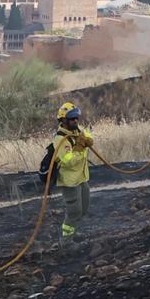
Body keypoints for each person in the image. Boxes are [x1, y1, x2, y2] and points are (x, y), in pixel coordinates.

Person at [49, 103, 94, 246]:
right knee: (74, 212)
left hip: (81, 178)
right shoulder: (60, 139)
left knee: (84, 208)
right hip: (69, 182)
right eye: (72, 118)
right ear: (63, 120)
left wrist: (87, 139)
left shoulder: (77, 131)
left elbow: (87, 136)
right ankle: (66, 241)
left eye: (76, 117)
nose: (75, 120)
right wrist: (80, 147)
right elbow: (68, 161)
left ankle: (73, 232)